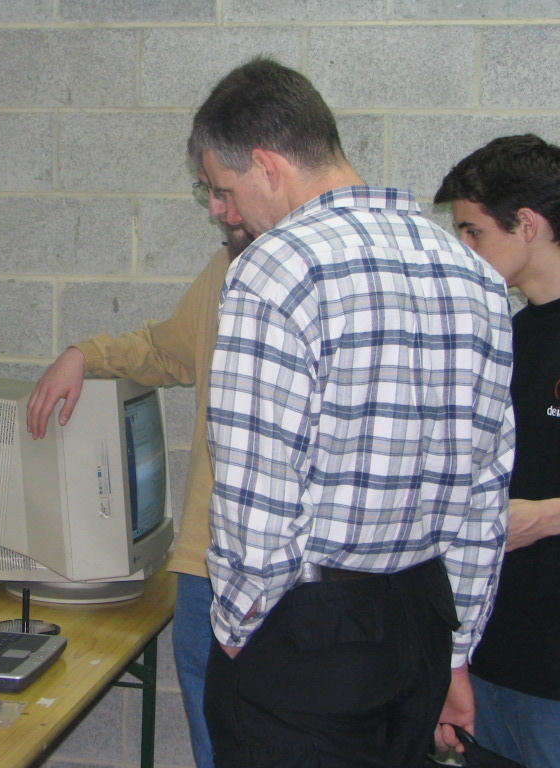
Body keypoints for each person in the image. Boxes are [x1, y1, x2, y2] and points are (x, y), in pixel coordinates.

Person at [191, 57, 515, 767]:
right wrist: (455, 649)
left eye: (222, 189)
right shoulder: (473, 273)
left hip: (306, 637)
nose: (220, 211)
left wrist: (240, 626)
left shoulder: (274, 268)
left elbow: (256, 487)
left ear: (268, 165)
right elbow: (485, 491)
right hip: (420, 624)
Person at [26, 215, 252, 767]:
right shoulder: (227, 266)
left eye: (225, 192)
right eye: (212, 194)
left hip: (297, 577)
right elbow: (168, 351)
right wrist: (84, 355)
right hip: (208, 558)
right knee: (219, 738)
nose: (220, 210)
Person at [434, 134, 560, 768]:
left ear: (527, 225)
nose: (464, 249)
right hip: (495, 657)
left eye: (473, 231)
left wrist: (547, 515)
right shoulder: (507, 336)